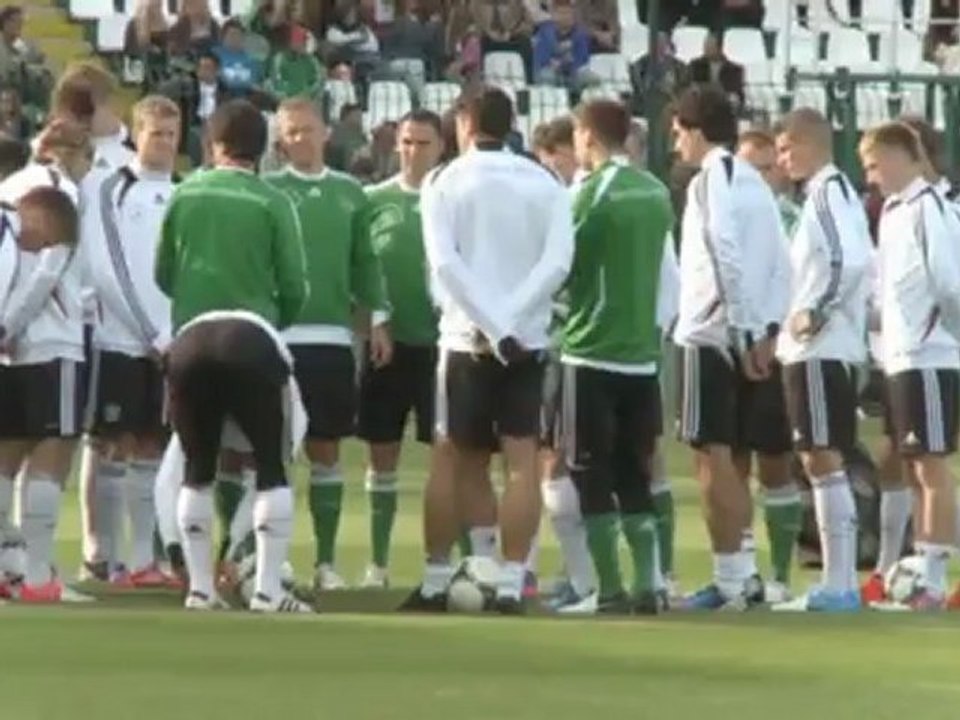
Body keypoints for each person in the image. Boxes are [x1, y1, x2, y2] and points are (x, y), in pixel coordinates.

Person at [402, 85, 573, 614]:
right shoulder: (545, 181)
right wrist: (513, 321)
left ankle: (439, 579)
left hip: (465, 338)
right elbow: (559, 263)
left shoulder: (444, 180)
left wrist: (492, 324)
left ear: (463, 123)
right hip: (526, 340)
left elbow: (446, 265)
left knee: (457, 459)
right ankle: (507, 578)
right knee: (522, 461)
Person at [155, 99, 309, 611]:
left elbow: (163, 273)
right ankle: (266, 589)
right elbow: (295, 286)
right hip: (251, 335)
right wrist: (271, 321)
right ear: (262, 149)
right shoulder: (272, 201)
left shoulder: (185, 193)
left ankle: (200, 589)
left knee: (197, 465)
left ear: (212, 144)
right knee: (271, 462)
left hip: (191, 339)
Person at [265, 98, 391, 591]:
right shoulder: (267, 191)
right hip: (277, 340)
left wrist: (377, 318)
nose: (299, 139)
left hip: (332, 339)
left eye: (307, 130)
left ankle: (325, 562)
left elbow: (366, 263)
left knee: (326, 451)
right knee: (270, 451)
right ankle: (267, 557)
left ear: (325, 134)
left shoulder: (350, 194)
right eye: (290, 132)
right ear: (280, 139)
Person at [552, 99, 671, 616]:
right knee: (634, 470)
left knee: (589, 470)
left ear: (585, 136)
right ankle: (649, 583)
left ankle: (609, 589)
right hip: (642, 356)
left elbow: (566, 265)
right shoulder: (658, 191)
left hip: (591, 350)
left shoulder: (589, 192)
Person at [671, 85, 788, 610]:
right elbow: (779, 263)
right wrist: (767, 327)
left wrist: (743, 329)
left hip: (711, 333)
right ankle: (742, 571)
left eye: (678, 134)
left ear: (695, 131)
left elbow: (725, 251)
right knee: (733, 457)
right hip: (748, 330)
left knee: (711, 458)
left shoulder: (711, 178)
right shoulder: (755, 183)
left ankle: (732, 578)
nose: (676, 146)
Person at [772, 108, 873, 612]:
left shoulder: (829, 194)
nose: (783, 158)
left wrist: (813, 310)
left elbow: (847, 259)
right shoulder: (828, 195)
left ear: (810, 144)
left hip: (820, 347)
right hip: (822, 348)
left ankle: (839, 583)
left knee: (821, 457)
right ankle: (839, 580)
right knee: (820, 457)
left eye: (788, 148)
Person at [82, 96, 182, 589]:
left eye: (171, 134)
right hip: (122, 340)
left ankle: (144, 561)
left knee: (152, 448)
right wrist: (149, 331)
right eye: (154, 133)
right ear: (136, 135)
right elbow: (106, 271)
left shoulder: (188, 191)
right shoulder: (110, 189)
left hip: (171, 344)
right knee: (112, 446)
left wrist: (174, 334)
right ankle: (106, 556)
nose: (163, 143)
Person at [859, 122, 960, 610]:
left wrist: (944, 334)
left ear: (903, 157)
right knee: (917, 465)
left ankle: (935, 579)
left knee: (932, 467)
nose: (872, 176)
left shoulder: (928, 208)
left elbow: (947, 282)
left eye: (876, 165)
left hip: (931, 355)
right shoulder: (895, 211)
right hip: (901, 355)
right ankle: (923, 569)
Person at [356, 109, 444, 589]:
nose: (413, 151)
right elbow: (359, 272)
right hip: (387, 349)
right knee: (380, 457)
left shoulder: (452, 199)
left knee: (453, 459)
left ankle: (455, 561)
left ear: (441, 147)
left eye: (423, 143)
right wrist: (374, 321)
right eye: (407, 142)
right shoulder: (373, 200)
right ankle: (378, 564)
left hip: (444, 348)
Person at [0, 177, 87, 603]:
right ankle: (37, 578)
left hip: (17, 362)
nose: (22, 226)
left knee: (7, 462)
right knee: (49, 461)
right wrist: (4, 329)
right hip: (57, 358)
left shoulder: (19, 256)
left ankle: (11, 571)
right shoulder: (58, 254)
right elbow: (38, 291)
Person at [734, 128, 802, 602]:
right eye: (747, 168)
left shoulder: (793, 219)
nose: (756, 177)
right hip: (728, 347)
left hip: (774, 349)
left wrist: (772, 333)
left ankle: (779, 573)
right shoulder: (727, 215)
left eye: (764, 167)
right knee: (728, 462)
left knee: (775, 462)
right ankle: (739, 570)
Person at [688, 33, 745, 114]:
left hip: (724, 108)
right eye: (705, 45)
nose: (705, 49)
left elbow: (737, 93)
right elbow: (691, 85)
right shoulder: (695, 65)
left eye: (709, 46)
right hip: (701, 107)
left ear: (719, 48)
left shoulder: (734, 70)